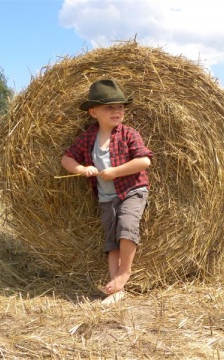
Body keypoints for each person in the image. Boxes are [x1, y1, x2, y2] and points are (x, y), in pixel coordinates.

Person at [61, 79, 152, 304]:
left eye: (120, 107)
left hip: (132, 190)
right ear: (93, 112)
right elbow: (66, 159)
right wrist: (82, 169)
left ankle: (124, 273)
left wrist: (116, 172)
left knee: (127, 225)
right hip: (106, 198)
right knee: (111, 240)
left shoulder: (129, 134)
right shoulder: (88, 138)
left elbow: (144, 161)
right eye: (109, 107)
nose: (116, 111)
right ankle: (115, 289)